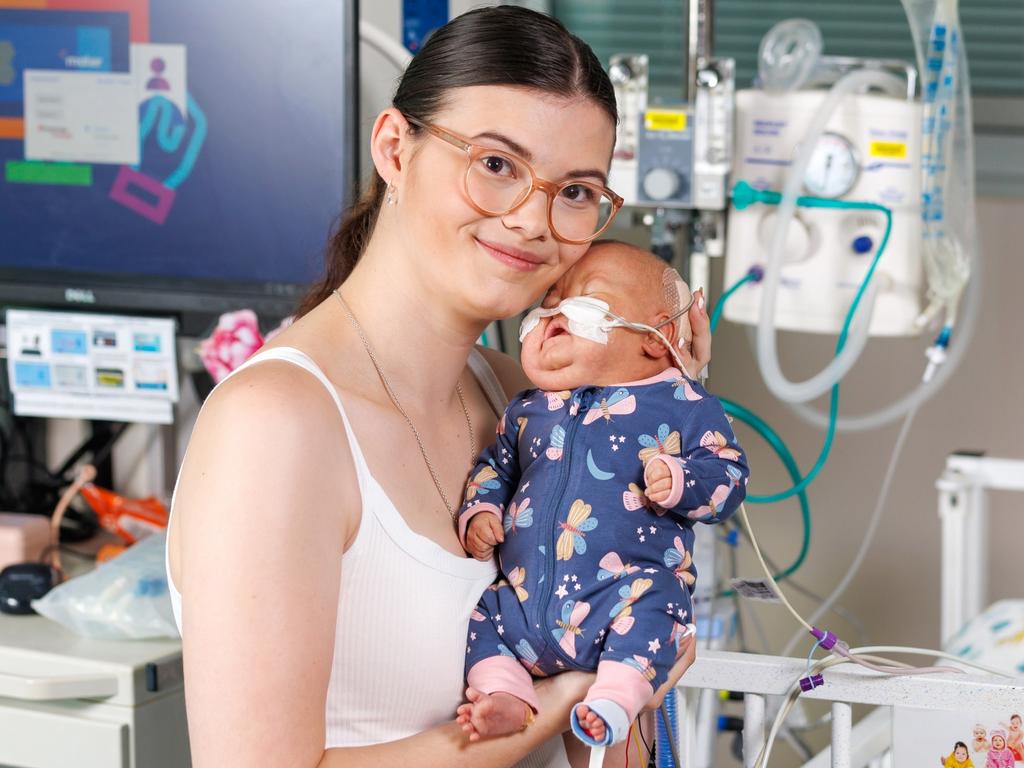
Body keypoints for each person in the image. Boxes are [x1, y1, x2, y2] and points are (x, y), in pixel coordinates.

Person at [164, 7, 711, 768]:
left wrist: (665, 380)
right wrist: (558, 706)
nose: (532, 220)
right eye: (495, 164)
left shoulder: (527, 405)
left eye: (577, 191)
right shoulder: (278, 428)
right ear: (395, 147)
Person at [454, 242, 747, 747]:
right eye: (549, 301)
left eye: (586, 301)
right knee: (484, 615)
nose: (555, 313)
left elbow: (729, 475)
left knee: (659, 601)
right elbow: (496, 466)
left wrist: (681, 481)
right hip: (524, 604)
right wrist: (481, 507)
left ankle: (617, 696)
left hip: (623, 596)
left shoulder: (684, 403)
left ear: (657, 338)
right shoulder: (526, 409)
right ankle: (505, 693)